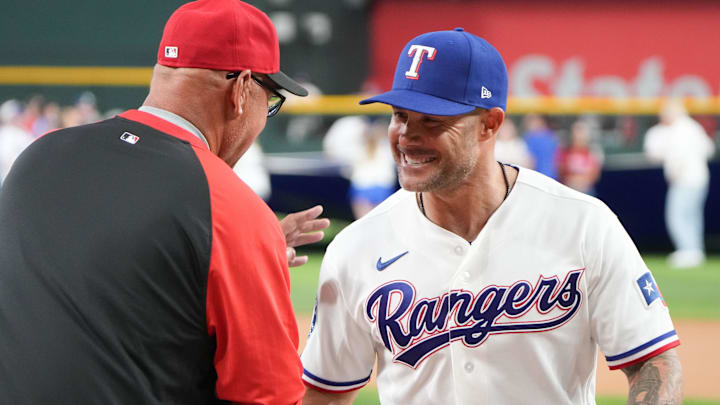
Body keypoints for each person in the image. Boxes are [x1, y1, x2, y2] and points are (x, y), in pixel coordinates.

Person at [300, 28, 682, 404]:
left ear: (490, 123)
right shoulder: (356, 247)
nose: (406, 136)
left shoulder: (583, 223)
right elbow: (325, 392)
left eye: (432, 120)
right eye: (400, 115)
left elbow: (653, 361)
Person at [0, 1, 329, 404]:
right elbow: (267, 396)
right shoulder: (229, 208)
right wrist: (236, 241)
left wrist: (224, 258)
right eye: (271, 100)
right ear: (242, 89)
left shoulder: (39, 155)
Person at [644, 99, 715, 268]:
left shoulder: (680, 129)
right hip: (698, 178)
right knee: (691, 216)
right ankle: (694, 250)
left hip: (686, 179)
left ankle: (688, 250)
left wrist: (675, 171)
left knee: (677, 215)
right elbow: (709, 149)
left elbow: (677, 156)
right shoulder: (691, 127)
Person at [556, 119, 604, 195]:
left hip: (585, 189)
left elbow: (595, 173)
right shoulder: (565, 152)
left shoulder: (591, 152)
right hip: (569, 188)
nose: (578, 136)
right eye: (576, 132)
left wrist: (582, 181)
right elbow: (560, 170)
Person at [523, 113, 560, 179]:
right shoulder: (552, 136)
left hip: (537, 176)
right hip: (551, 176)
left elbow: (530, 161)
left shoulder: (531, 138)